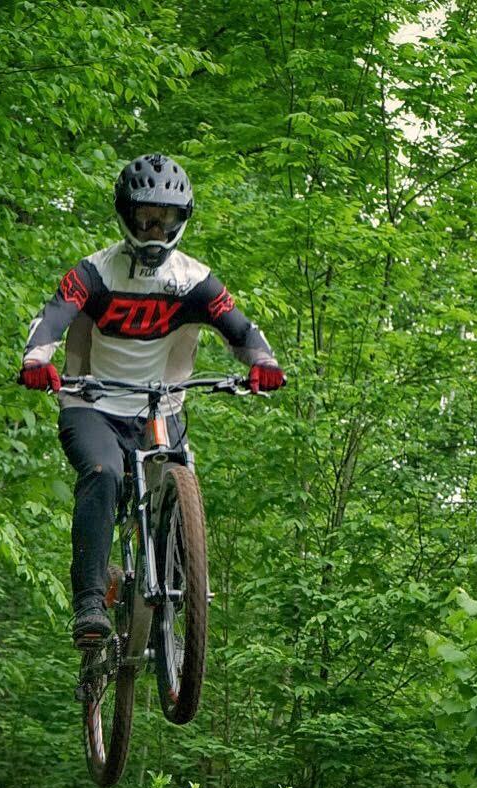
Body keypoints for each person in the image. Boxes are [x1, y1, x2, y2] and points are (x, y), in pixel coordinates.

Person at [19, 153, 286, 647]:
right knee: (100, 474)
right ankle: (90, 603)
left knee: (181, 473)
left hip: (159, 407)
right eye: (145, 220)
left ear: (181, 221)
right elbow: (53, 318)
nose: (154, 233)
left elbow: (240, 328)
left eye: (165, 222)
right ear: (125, 216)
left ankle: (179, 577)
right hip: (91, 404)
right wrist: (37, 362)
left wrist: (262, 364)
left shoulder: (192, 280)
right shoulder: (94, 273)